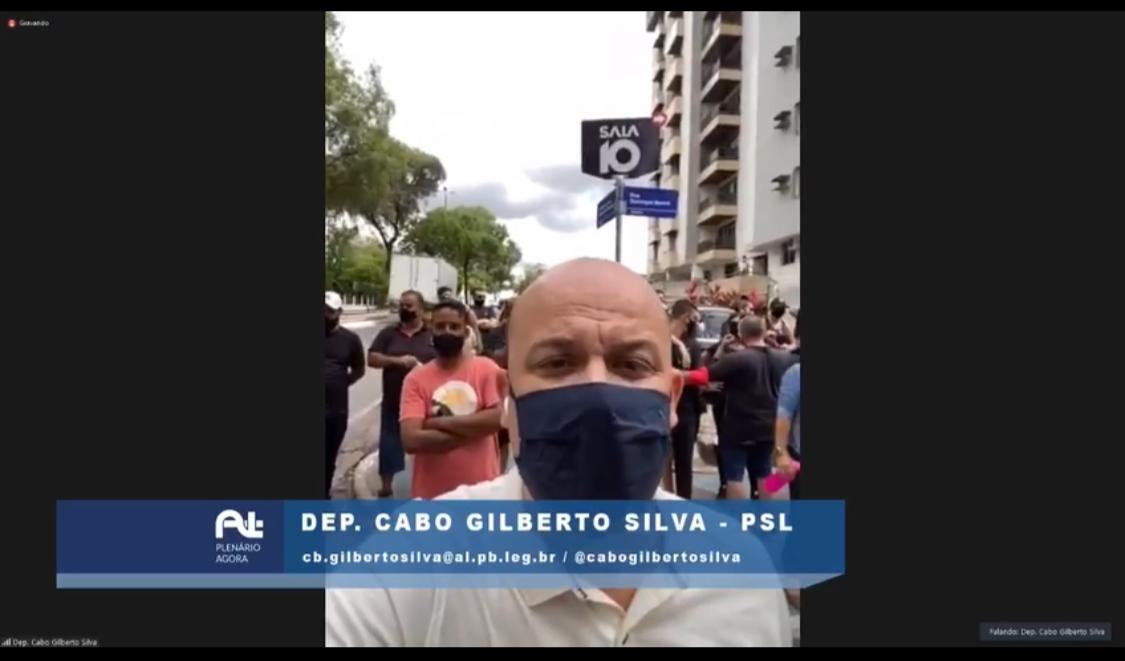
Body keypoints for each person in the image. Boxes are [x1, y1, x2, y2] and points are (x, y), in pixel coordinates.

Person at [326, 258, 792, 646]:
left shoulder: (744, 577)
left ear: (671, 399)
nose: (597, 390)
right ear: (509, 402)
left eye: (631, 364)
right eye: (558, 362)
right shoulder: (416, 560)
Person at [682, 316, 797, 500]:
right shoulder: (782, 358)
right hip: (769, 425)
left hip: (738, 426)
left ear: (741, 334)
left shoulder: (737, 359)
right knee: (764, 472)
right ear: (764, 331)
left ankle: (738, 516)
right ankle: (767, 517)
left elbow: (703, 376)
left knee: (734, 476)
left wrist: (677, 375)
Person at [399, 300, 505, 499]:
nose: (447, 332)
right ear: (431, 329)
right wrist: (477, 430)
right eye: (440, 326)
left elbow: (498, 418)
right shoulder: (415, 379)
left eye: (454, 327)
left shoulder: (487, 369)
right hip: (432, 496)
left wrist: (435, 423)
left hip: (483, 493)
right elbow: (411, 440)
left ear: (465, 331)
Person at [367, 291, 436, 498]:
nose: (404, 309)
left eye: (409, 306)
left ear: (421, 309)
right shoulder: (389, 333)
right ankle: (386, 488)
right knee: (389, 445)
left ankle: (427, 489)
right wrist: (398, 361)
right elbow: (372, 358)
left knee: (427, 447)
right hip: (394, 402)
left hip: (427, 405)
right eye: (402, 305)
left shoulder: (432, 334)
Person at [324, 291, 366, 497]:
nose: (325, 315)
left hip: (336, 410)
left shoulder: (350, 339)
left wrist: (341, 384)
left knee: (328, 457)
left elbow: (359, 369)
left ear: (339, 312)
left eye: (329, 311)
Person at [667, 299, 703, 499]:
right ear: (687, 318)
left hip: (685, 408)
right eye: (695, 318)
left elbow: (701, 376)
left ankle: (678, 502)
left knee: (681, 462)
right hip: (670, 407)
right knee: (669, 460)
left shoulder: (690, 344)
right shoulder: (663, 342)